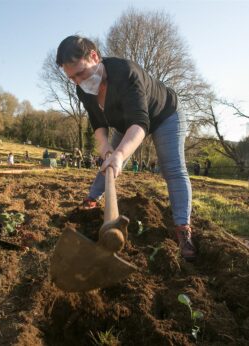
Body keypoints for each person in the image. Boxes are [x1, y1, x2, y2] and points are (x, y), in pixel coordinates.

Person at [56, 35, 196, 259]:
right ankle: (91, 200)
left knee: (172, 168)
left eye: (80, 73)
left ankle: (183, 229)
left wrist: (121, 154)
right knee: (108, 163)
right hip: (124, 121)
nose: (78, 81)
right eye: (72, 77)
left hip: (164, 115)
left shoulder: (125, 73)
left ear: (94, 56)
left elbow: (140, 122)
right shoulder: (83, 89)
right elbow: (98, 123)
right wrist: (105, 148)